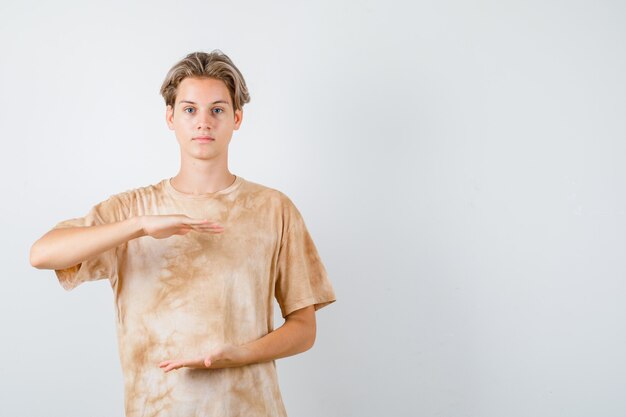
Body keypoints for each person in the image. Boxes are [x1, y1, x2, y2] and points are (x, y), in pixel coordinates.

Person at [29, 50, 337, 417]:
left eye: (217, 110)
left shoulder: (273, 209)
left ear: (237, 118)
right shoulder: (132, 209)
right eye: (190, 109)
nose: (203, 122)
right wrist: (140, 226)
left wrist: (238, 354)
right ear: (170, 117)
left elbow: (304, 328)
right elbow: (42, 254)